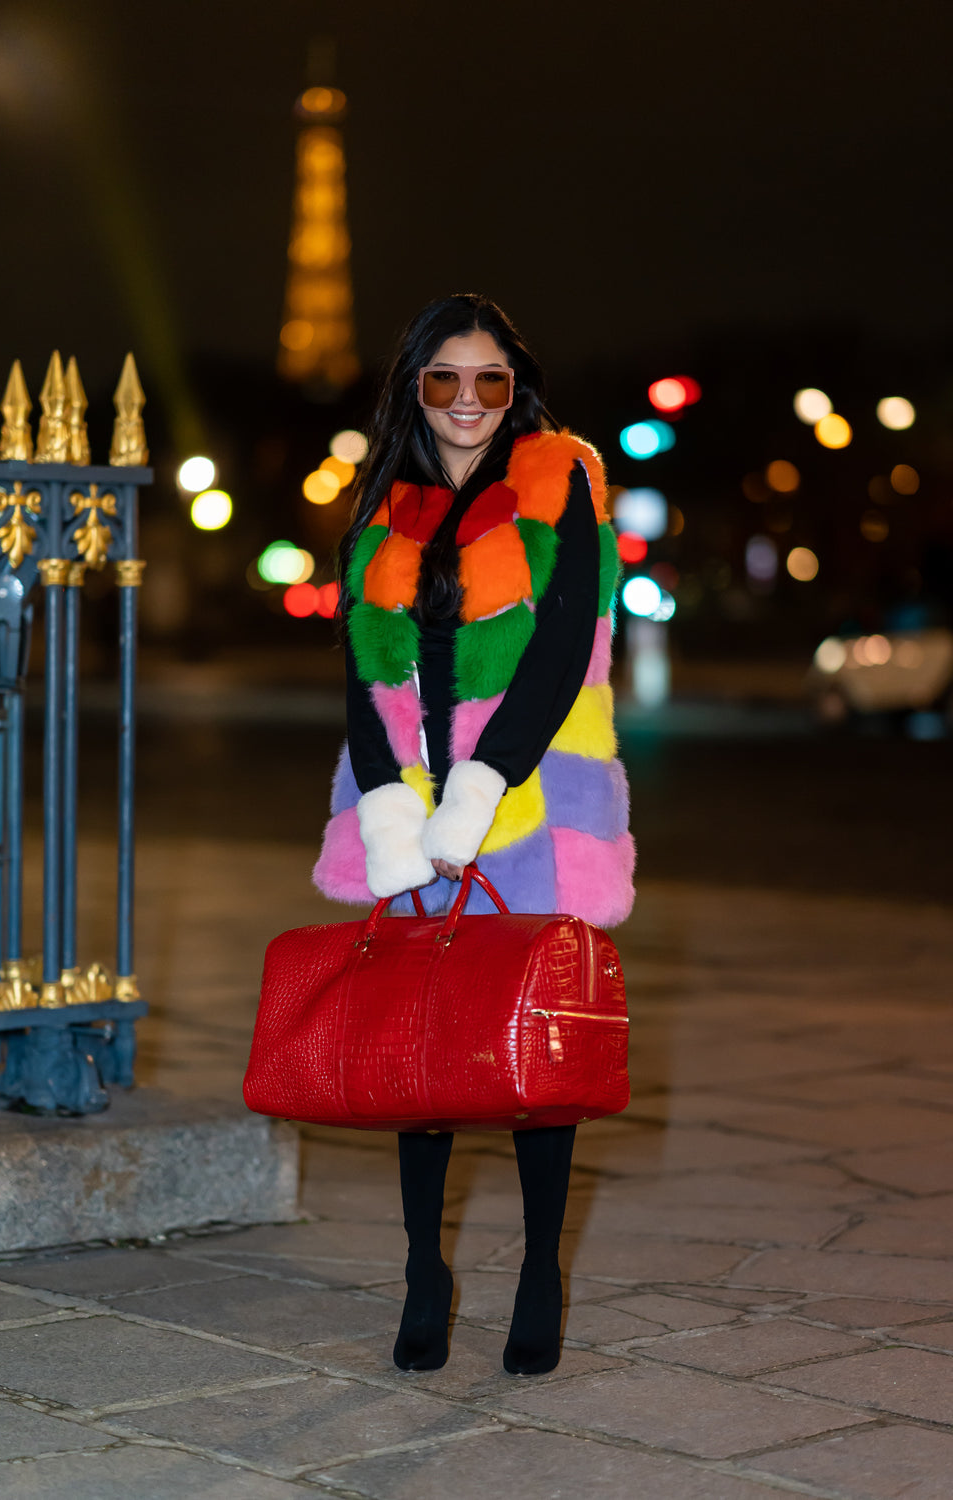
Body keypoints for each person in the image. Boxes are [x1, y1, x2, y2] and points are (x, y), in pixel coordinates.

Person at [314, 293, 635, 1375]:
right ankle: (423, 1269)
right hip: (407, 797)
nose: (465, 401)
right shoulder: (381, 509)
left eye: (488, 381)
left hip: (531, 792)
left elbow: (559, 656)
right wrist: (389, 802)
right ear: (414, 389)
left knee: (537, 1041)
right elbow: (362, 673)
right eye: (442, 380)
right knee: (422, 1040)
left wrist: (483, 785)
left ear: (517, 388)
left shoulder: (561, 479)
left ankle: (541, 1267)